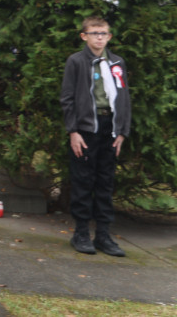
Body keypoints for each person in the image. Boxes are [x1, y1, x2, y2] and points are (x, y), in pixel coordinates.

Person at [60, 16, 131, 257]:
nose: (99, 37)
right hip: (86, 128)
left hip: (109, 128)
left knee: (105, 182)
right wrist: (73, 131)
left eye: (104, 33)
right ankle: (81, 232)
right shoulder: (76, 62)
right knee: (83, 181)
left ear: (109, 36)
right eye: (94, 33)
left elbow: (124, 99)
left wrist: (122, 131)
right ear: (84, 36)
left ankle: (103, 234)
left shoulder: (117, 63)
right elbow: (67, 99)